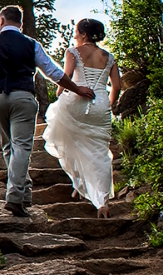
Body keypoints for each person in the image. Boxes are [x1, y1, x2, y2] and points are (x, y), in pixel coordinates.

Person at [0, 6, 96, 216]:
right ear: (21, 23)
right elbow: (53, 73)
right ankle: (16, 196)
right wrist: (77, 88)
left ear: (1, 21)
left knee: (8, 147)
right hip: (23, 97)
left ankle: (24, 194)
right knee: (22, 147)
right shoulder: (31, 44)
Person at [43, 18, 123, 214]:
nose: (74, 34)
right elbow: (117, 87)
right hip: (101, 104)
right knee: (100, 152)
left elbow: (65, 80)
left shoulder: (73, 52)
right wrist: (108, 106)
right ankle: (103, 202)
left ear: (84, 34)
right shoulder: (110, 57)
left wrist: (60, 93)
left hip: (77, 102)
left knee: (69, 141)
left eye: (76, 31)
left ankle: (78, 182)